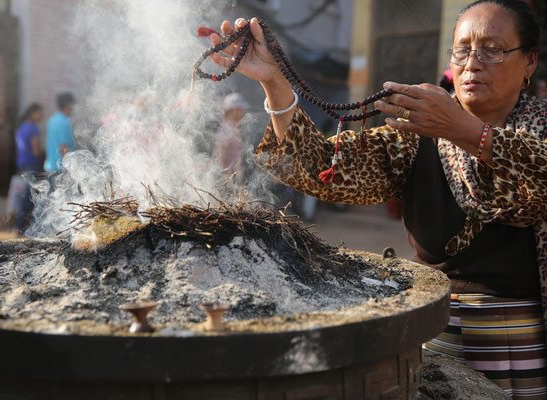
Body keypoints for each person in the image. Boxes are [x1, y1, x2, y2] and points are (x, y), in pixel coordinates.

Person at [210, 0, 547, 397]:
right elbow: (317, 168)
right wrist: (273, 80)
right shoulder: (416, 134)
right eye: (462, 49)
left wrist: (467, 131)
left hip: (529, 342)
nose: (473, 63)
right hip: (436, 336)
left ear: (529, 63)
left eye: (492, 49)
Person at [14, 103, 43, 235]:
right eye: (39, 113)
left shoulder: (21, 128)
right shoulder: (33, 128)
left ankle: (22, 226)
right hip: (31, 165)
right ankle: (21, 226)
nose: (41, 116)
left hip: (22, 165)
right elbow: (36, 151)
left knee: (27, 196)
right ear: (33, 113)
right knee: (29, 197)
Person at [214, 92, 248, 176]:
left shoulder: (234, 128)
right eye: (242, 109)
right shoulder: (226, 129)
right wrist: (225, 180)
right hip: (227, 178)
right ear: (234, 110)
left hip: (233, 177)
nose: (244, 112)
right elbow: (220, 155)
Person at [44, 93, 75, 172]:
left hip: (50, 166)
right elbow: (64, 147)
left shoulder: (52, 119)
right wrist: (69, 169)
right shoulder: (63, 122)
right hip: (60, 169)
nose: (74, 108)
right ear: (68, 105)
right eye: (73, 104)